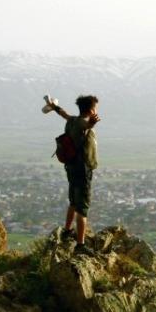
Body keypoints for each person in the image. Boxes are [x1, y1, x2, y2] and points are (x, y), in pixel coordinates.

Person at [46, 94, 100, 247]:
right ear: (91, 110)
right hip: (82, 170)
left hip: (71, 167)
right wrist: (92, 124)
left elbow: (63, 113)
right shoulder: (83, 124)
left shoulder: (72, 120)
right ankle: (80, 245)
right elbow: (86, 127)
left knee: (73, 202)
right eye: (95, 108)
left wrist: (54, 106)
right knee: (82, 208)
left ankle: (67, 230)